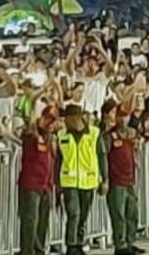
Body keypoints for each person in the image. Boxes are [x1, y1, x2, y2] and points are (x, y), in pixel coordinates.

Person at [56, 104, 103, 255]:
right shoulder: (61, 135)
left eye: (67, 119)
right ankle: (71, 245)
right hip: (69, 181)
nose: (65, 122)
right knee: (73, 213)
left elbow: (101, 157)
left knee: (83, 214)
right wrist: (56, 182)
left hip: (88, 181)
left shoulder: (94, 133)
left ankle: (79, 242)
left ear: (75, 117)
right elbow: (58, 160)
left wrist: (105, 178)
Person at [17, 106, 58, 255]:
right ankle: (27, 252)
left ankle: (39, 251)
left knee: (42, 222)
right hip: (31, 185)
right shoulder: (32, 135)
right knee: (30, 221)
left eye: (53, 120)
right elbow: (30, 127)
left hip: (46, 185)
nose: (50, 123)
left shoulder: (52, 139)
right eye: (47, 119)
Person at [101, 101, 140, 255]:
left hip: (130, 180)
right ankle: (120, 245)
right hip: (116, 181)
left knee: (132, 213)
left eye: (126, 116)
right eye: (120, 116)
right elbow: (103, 156)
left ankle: (130, 242)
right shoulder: (110, 136)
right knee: (119, 215)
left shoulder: (131, 134)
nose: (123, 120)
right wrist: (104, 178)